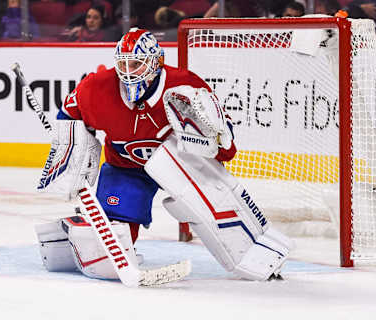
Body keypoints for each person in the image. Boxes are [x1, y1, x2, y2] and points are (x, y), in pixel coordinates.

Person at [35, 27, 293, 283]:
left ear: (156, 62)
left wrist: (215, 137)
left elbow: (226, 148)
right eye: (123, 65)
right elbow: (69, 115)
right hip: (126, 165)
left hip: (184, 166)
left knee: (217, 208)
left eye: (136, 63)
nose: (127, 72)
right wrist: (71, 148)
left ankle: (258, 255)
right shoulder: (96, 87)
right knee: (114, 231)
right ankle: (80, 242)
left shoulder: (185, 85)